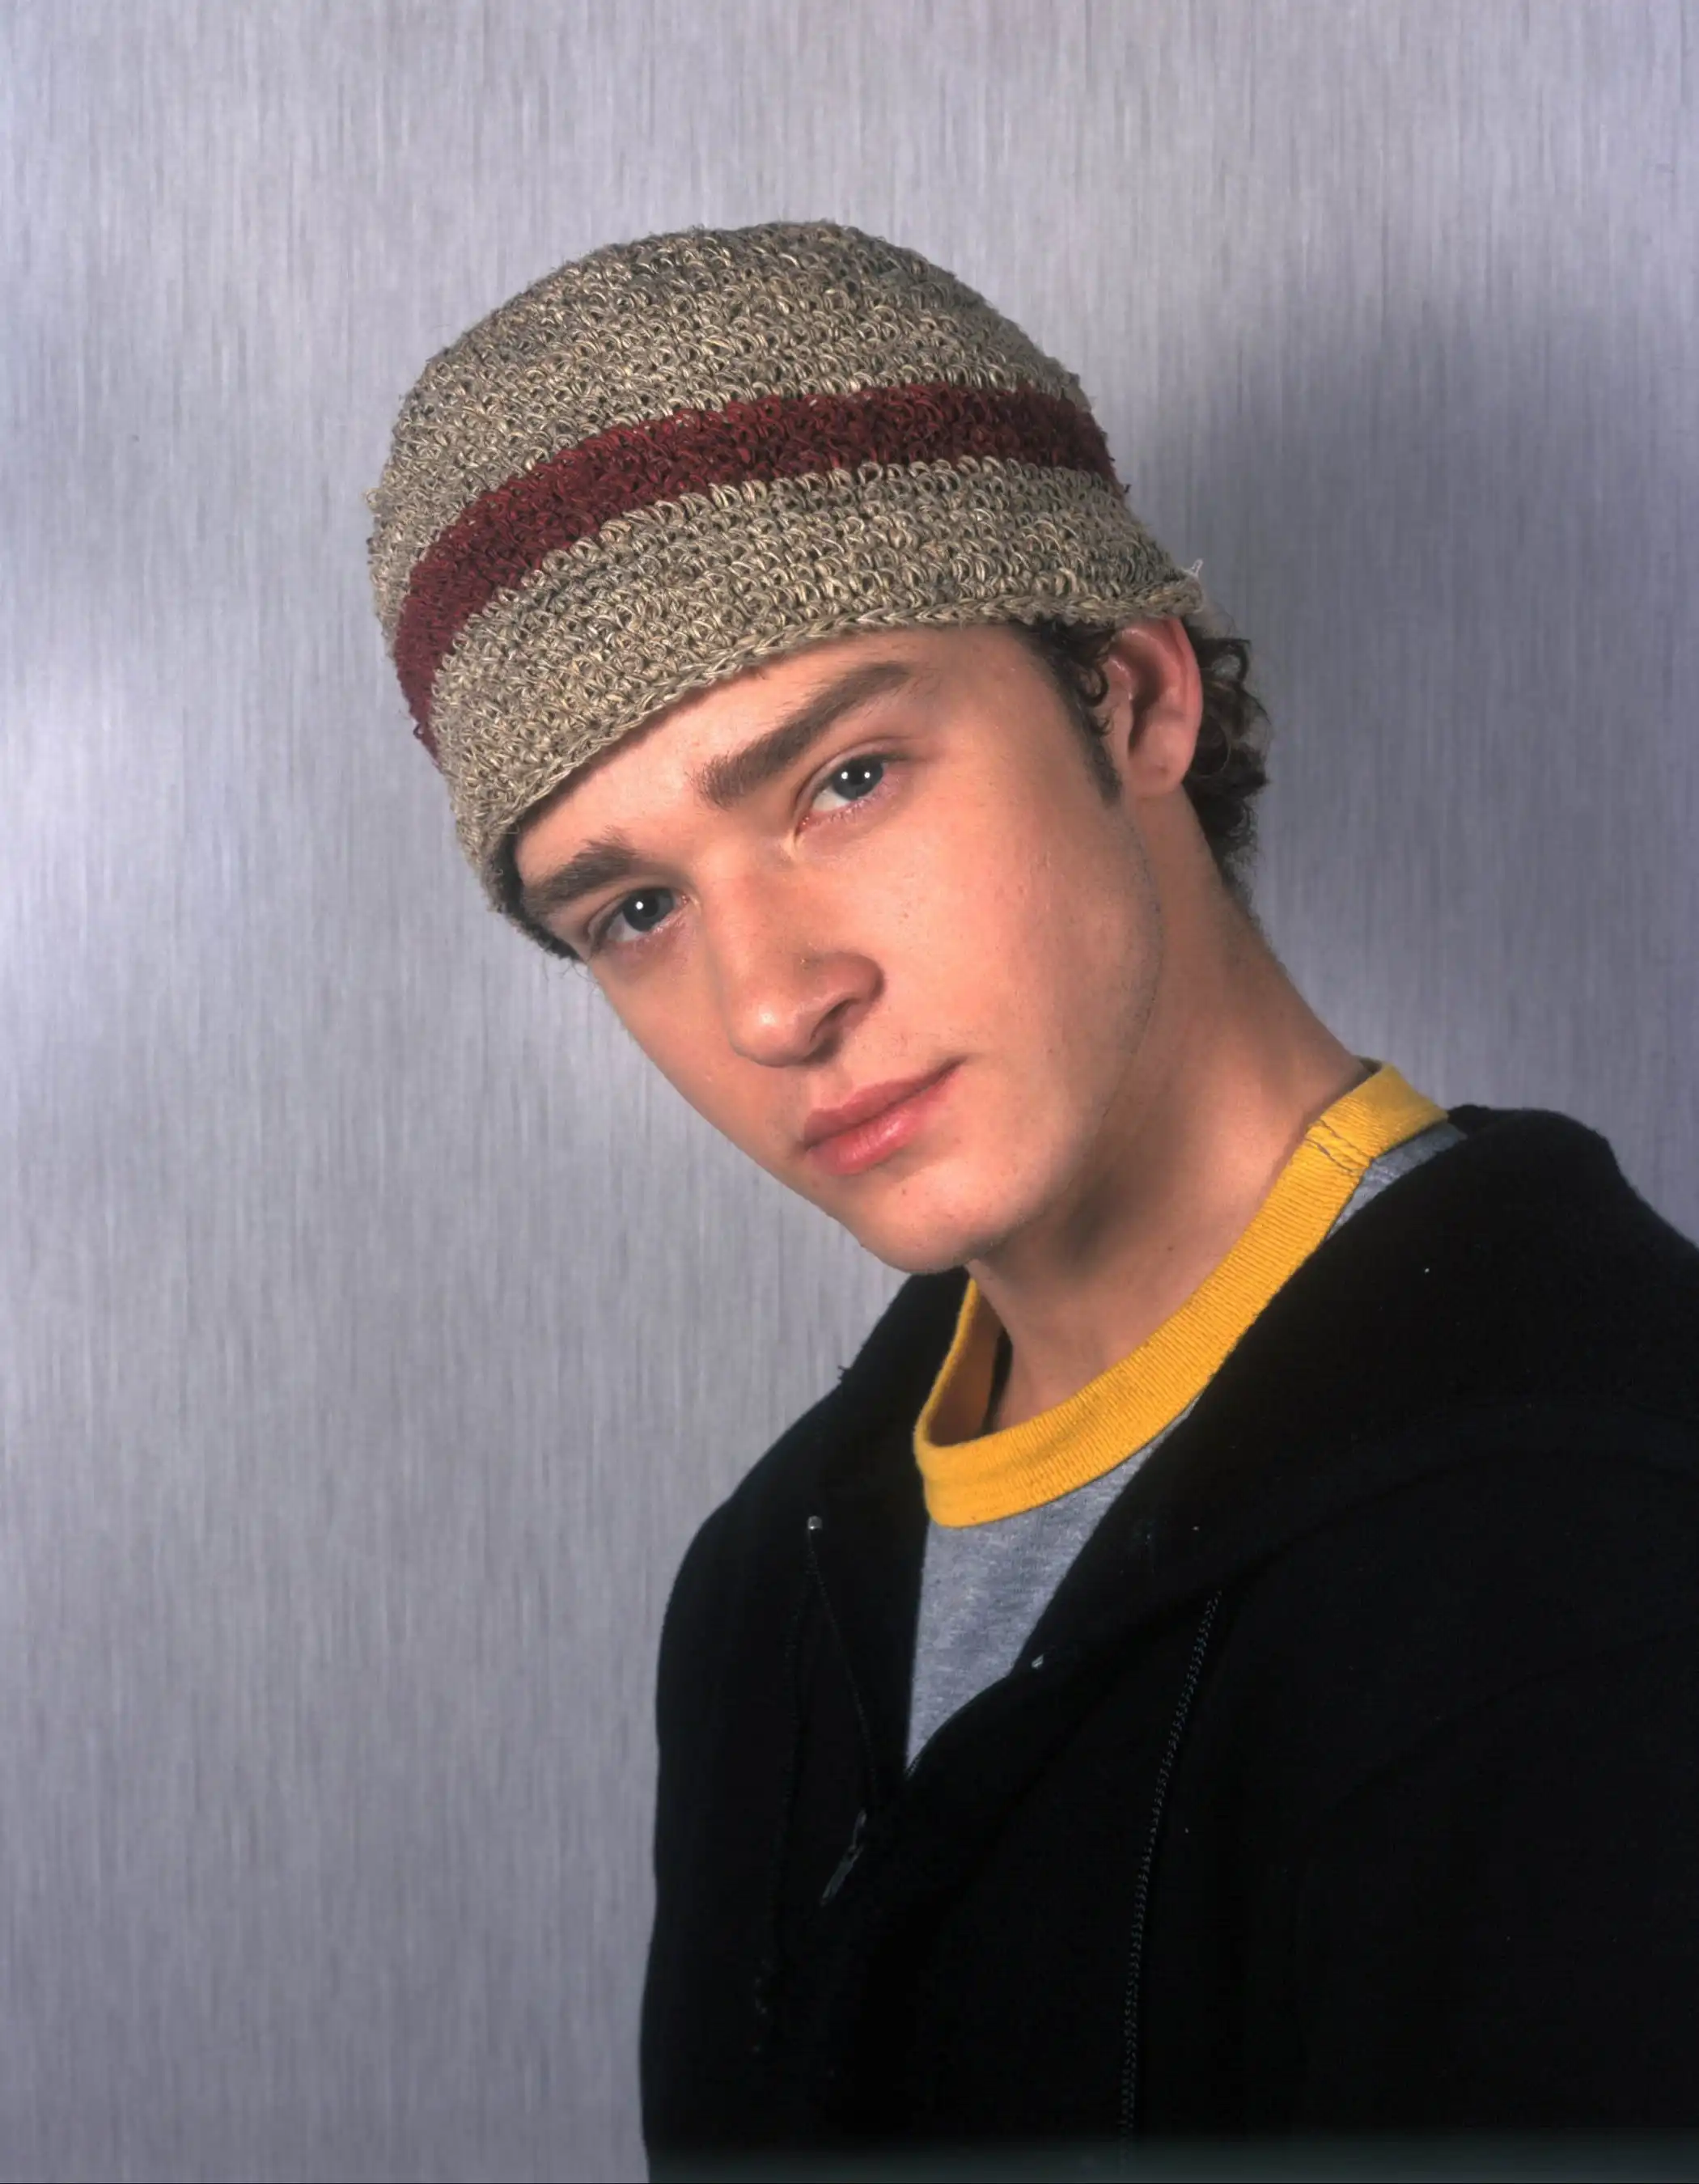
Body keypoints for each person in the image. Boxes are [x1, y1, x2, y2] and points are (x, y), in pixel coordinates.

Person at [366, 222, 1699, 2177]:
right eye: (636, 908)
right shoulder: (762, 1596)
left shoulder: (1598, 1549)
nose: (771, 1001)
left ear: (1133, 699)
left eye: (843, 781)